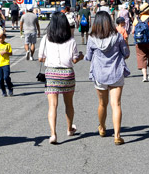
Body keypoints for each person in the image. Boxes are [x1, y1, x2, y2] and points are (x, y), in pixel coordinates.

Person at [85, 11, 130, 145]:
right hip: (116, 73)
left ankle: (102, 127)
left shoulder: (92, 38)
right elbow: (126, 53)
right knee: (116, 104)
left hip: (99, 74)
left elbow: (88, 56)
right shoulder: (117, 36)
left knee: (102, 104)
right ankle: (117, 135)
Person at [39, 12, 83, 145]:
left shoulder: (46, 38)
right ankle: (69, 129)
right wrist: (80, 56)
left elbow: (41, 58)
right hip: (67, 73)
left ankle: (53, 134)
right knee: (69, 103)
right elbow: (74, 59)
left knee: (52, 105)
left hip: (51, 73)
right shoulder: (71, 40)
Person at [133, 4, 149, 81]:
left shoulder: (137, 19)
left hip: (139, 41)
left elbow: (133, 31)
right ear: (148, 10)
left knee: (142, 57)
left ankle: (144, 76)